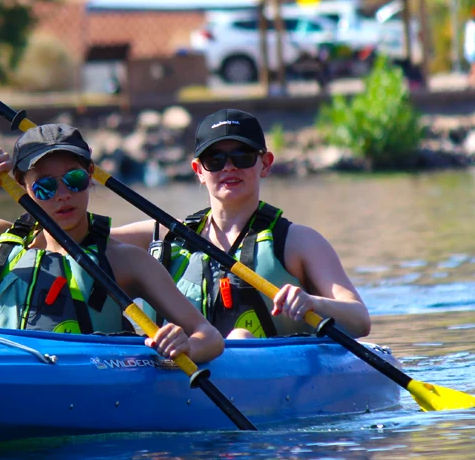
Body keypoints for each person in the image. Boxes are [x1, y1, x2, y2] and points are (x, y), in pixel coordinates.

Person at [0, 123, 225, 363]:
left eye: (74, 181)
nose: (63, 196)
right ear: (21, 187)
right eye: (45, 187)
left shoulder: (125, 261)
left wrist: (186, 346)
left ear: (90, 176)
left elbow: (208, 336)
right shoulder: (0, 242)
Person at [111, 109, 371, 340]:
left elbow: (360, 320)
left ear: (265, 164)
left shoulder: (299, 242)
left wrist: (313, 303)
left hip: (272, 378)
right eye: (215, 160)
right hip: (178, 370)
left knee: (241, 338)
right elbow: (81, 238)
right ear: (199, 170)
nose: (229, 167)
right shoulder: (161, 234)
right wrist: (73, 174)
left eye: (242, 156)